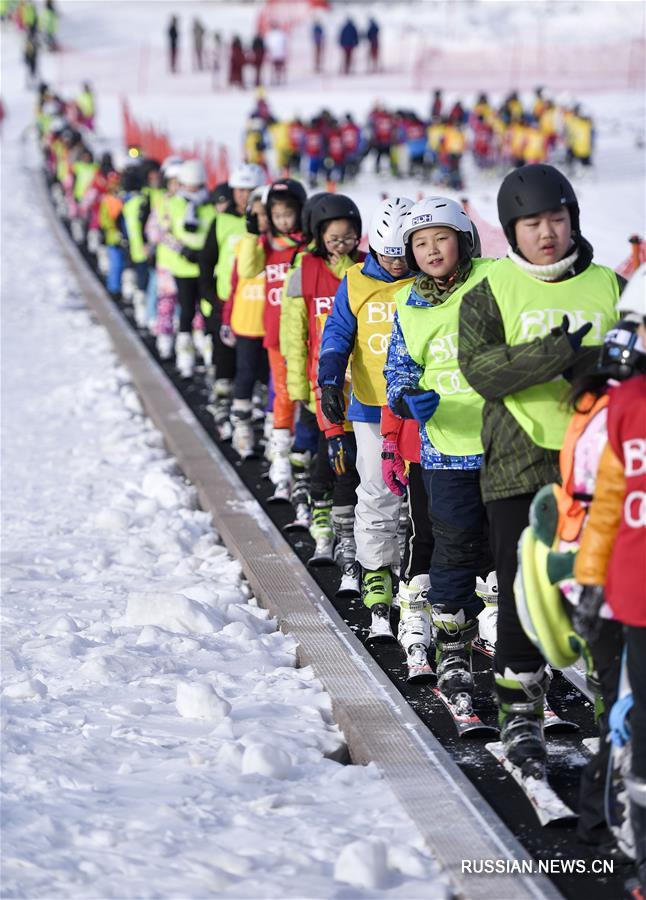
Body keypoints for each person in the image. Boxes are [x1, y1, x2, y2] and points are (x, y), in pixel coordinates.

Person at [458, 164, 623, 773]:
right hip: (518, 460)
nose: (547, 233)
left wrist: (604, 367)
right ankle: (520, 713)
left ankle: (615, 707)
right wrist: (563, 353)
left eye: (556, 219)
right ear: (512, 231)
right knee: (523, 590)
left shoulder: (611, 284)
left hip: (601, 463)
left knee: (608, 588)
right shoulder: (490, 288)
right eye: (532, 224)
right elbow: (481, 369)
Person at [385, 197, 495, 703]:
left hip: (505, 443)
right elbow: (399, 372)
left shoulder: (496, 279)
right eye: (420, 243)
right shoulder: (408, 304)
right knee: (452, 548)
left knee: (506, 550)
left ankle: (511, 638)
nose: (431, 250)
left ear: (464, 240)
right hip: (447, 450)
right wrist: (407, 399)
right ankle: (452, 647)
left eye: (441, 238)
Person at [574, 320, 646, 892]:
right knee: (633, 713)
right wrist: (592, 578)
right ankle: (623, 827)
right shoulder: (624, 404)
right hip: (635, 588)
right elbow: (607, 500)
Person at [319, 198, 415, 611]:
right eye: (387, 255)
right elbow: (338, 331)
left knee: (418, 499)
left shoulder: (425, 281)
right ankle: (375, 570)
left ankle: (415, 573)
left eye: (402, 255)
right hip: (371, 405)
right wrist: (328, 380)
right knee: (376, 490)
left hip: (419, 407)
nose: (396, 264)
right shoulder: (356, 281)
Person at [283, 194, 363, 568]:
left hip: (357, 387)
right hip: (320, 384)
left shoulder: (363, 271)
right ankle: (320, 515)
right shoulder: (305, 269)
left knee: (349, 460)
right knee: (322, 457)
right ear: (318, 235)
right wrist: (297, 381)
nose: (341, 244)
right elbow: (293, 330)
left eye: (349, 237)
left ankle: (346, 522)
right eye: (334, 238)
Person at [235, 178, 306, 480]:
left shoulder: (307, 246)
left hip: (306, 334)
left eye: (287, 214)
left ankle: (305, 446)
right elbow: (248, 269)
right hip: (276, 334)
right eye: (275, 216)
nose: (282, 221)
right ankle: (280, 451)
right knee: (282, 392)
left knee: (308, 393)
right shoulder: (266, 245)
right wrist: (252, 235)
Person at [198, 162, 266, 438]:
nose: (243, 195)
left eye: (250, 190)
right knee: (225, 361)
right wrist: (210, 299)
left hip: (258, 304)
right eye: (239, 190)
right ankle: (223, 406)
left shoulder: (266, 222)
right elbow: (207, 261)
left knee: (255, 364)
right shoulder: (222, 220)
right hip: (226, 302)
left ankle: (253, 410)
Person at [165, 159, 215, 379]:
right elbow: (162, 232)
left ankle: (209, 356)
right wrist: (183, 250)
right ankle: (184, 356)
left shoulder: (210, 205)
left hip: (205, 267)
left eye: (197, 185)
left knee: (207, 312)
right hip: (183, 266)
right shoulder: (172, 204)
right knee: (186, 311)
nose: (194, 189)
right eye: (189, 185)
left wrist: (207, 254)